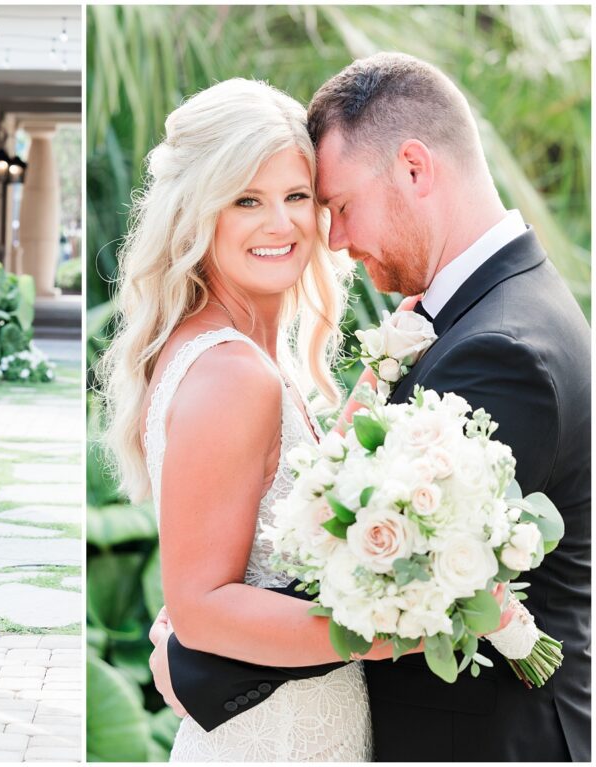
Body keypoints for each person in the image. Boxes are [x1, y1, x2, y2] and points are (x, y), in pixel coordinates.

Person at [151, 53, 591, 762]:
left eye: (333, 203)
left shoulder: (505, 350)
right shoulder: (476, 316)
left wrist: (188, 656)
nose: (331, 238)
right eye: (250, 198)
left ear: (414, 168)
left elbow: (399, 581)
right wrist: (198, 617)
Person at [98, 77, 397, 761]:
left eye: (297, 197)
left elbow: (281, 518)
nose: (281, 224)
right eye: (247, 201)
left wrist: (385, 370)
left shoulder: (234, 352)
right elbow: (201, 608)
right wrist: (399, 629)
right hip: (274, 738)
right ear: (198, 213)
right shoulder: (233, 372)